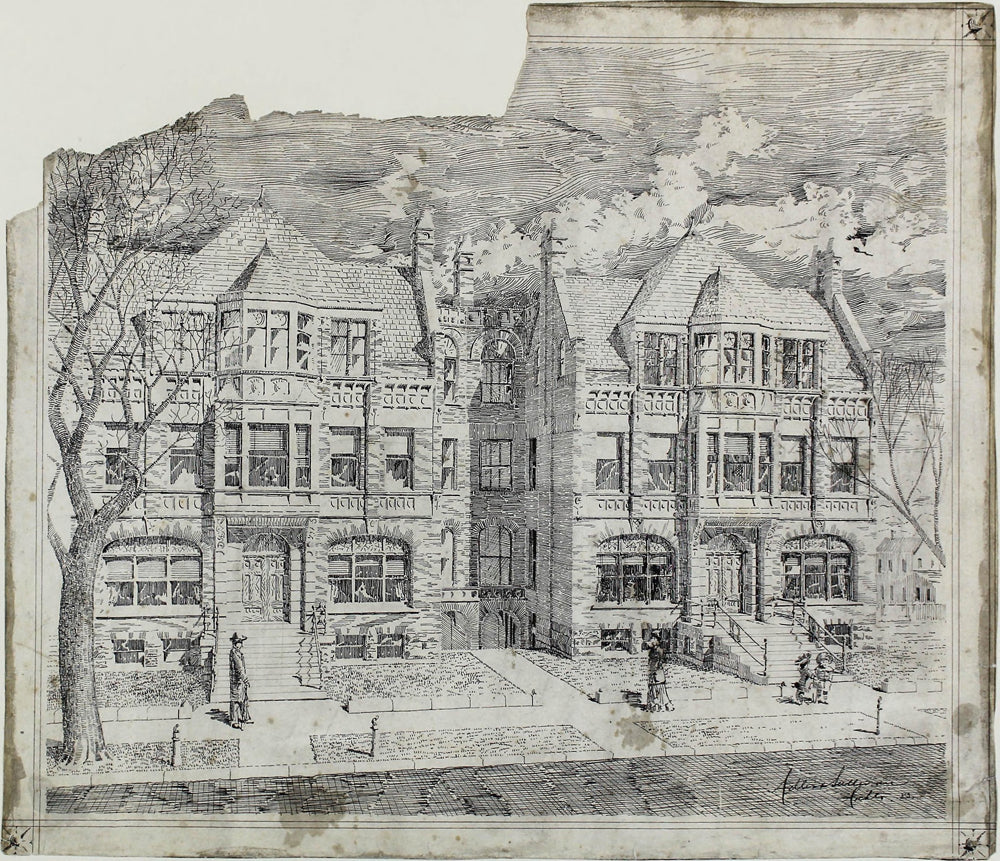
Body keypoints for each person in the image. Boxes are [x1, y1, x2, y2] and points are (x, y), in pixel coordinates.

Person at [644, 633, 675, 712]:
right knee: (652, 688)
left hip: (658, 671)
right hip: (651, 670)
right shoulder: (651, 650)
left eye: (653, 639)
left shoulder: (660, 650)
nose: (651, 640)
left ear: (657, 640)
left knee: (659, 687)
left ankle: (661, 705)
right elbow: (650, 659)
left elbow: (662, 661)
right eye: (651, 639)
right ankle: (653, 704)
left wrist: (657, 668)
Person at [229, 632, 252, 729]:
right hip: (236, 680)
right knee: (236, 700)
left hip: (239, 680)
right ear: (235, 643)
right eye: (240, 642)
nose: (241, 644)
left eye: (241, 642)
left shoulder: (237, 652)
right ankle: (234, 720)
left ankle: (244, 717)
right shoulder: (235, 653)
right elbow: (239, 668)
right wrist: (245, 679)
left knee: (243, 698)